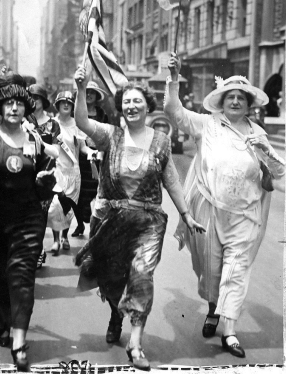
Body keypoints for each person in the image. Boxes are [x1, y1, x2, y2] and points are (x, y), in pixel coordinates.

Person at [73, 65, 205, 371]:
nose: (132, 106)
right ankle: (116, 314)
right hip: (112, 221)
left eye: (137, 102)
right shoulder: (110, 135)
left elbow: (171, 179)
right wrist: (80, 89)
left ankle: (135, 343)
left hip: (149, 223)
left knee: (142, 276)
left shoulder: (160, 140)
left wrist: (186, 214)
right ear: (121, 108)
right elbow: (81, 121)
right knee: (112, 277)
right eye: (127, 102)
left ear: (147, 107)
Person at [165, 53, 285, 358]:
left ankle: (229, 332)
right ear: (222, 101)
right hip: (209, 212)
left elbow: (277, 175)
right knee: (211, 270)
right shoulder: (207, 124)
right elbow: (173, 112)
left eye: (240, 98)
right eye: (230, 97)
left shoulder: (257, 133)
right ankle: (212, 310)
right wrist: (174, 78)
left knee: (236, 272)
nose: (235, 101)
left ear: (248, 104)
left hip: (244, 216)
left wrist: (266, 157)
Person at [0, 50, 57, 371]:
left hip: (27, 221)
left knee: (21, 279)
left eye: (20, 103)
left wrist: (46, 179)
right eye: (8, 103)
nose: (15, 108)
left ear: (26, 108)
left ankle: (19, 343)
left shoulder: (35, 139)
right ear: (1, 107)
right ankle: (5, 320)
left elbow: (48, 177)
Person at [47, 91, 93, 256]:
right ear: (57, 105)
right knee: (55, 206)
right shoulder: (51, 123)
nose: (66, 105)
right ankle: (55, 240)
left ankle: (65, 237)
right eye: (62, 102)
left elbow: (83, 147)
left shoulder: (77, 124)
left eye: (69, 102)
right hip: (57, 170)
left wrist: (90, 153)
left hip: (73, 171)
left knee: (68, 208)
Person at [28, 83, 61, 268]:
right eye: (30, 98)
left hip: (45, 177)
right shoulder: (23, 120)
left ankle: (39, 249)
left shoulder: (53, 124)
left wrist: (41, 143)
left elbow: (56, 152)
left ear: (43, 101)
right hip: (25, 175)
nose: (33, 101)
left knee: (40, 216)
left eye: (37, 98)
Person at [72, 81, 109, 237]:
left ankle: (95, 225)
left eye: (92, 93)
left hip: (98, 158)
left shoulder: (102, 114)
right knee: (78, 193)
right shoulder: (78, 112)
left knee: (95, 192)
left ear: (96, 96)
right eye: (86, 92)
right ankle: (80, 224)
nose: (88, 95)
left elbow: (107, 135)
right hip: (80, 156)